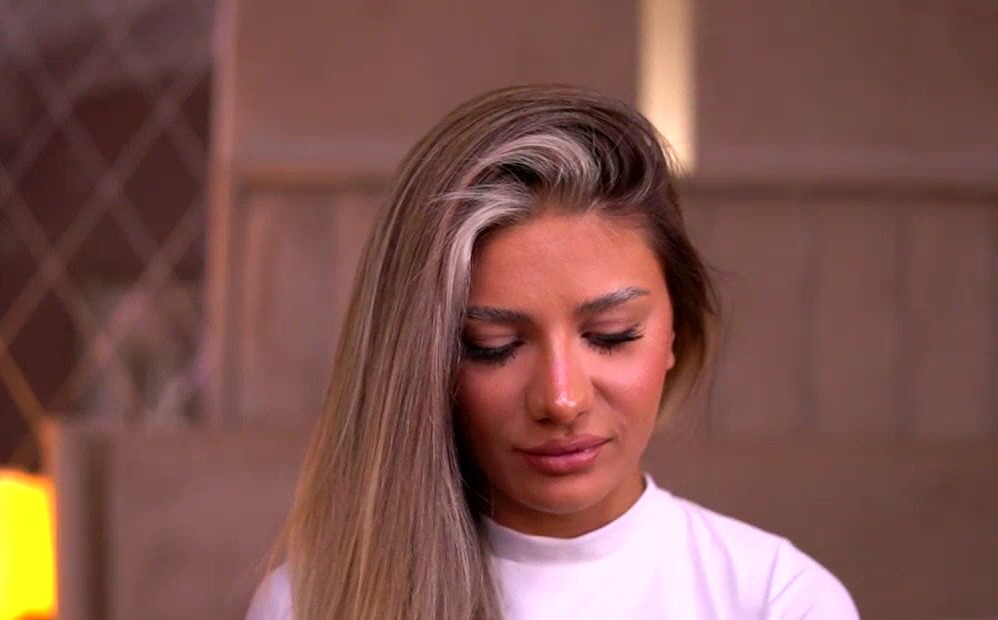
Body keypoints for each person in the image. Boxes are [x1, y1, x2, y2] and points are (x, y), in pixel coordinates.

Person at [247, 85, 858, 619]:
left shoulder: (777, 599)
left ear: (678, 333)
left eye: (612, 335)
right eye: (493, 347)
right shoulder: (314, 603)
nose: (562, 400)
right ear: (424, 364)